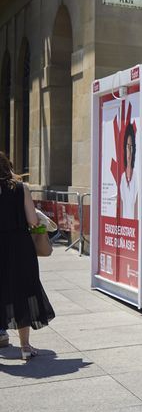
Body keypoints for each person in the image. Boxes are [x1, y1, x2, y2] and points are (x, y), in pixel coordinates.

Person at [0, 151, 56, 360]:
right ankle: (25, 347)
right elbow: (32, 220)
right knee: (22, 293)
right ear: (8, 168)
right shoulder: (21, 188)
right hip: (19, 246)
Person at [118, 123, 138, 219]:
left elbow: (137, 209)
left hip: (133, 228)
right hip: (125, 229)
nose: (129, 151)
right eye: (127, 147)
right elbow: (121, 207)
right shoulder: (122, 177)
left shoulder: (137, 176)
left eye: (131, 147)